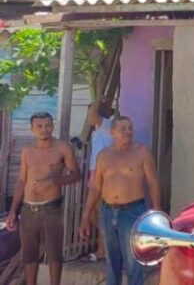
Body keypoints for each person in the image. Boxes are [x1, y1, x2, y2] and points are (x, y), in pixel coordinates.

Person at [80, 116, 161, 285]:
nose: (127, 132)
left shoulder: (142, 152)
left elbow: (153, 183)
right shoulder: (103, 156)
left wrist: (156, 214)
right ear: (112, 133)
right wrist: (86, 215)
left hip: (133, 211)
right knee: (111, 262)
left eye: (130, 128)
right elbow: (95, 188)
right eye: (122, 129)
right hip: (107, 212)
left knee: (133, 263)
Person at [2, 112, 81, 285]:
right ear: (32, 129)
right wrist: (13, 211)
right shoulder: (27, 152)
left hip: (51, 209)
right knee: (29, 256)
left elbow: (76, 175)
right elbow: (22, 180)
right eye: (39, 126)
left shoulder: (62, 148)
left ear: (52, 126)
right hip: (28, 209)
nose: (44, 130)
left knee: (54, 255)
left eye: (48, 125)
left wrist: (54, 182)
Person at [83, 100, 114, 262]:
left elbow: (92, 116)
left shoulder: (107, 124)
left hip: (102, 173)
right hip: (95, 172)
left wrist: (98, 98)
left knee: (101, 214)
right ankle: (106, 246)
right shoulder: (100, 129)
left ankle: (103, 250)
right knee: (95, 214)